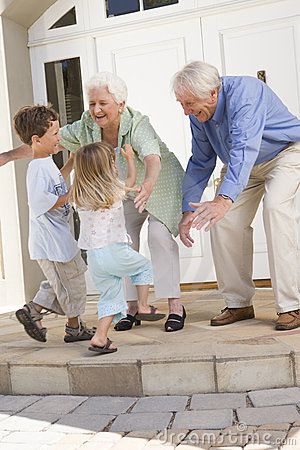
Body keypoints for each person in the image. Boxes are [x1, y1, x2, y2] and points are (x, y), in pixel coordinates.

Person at [0, 72, 186, 332]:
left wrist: (149, 184)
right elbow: (46, 140)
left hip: (159, 185)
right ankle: (131, 308)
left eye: (103, 103)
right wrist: (7, 156)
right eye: (92, 104)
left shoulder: (137, 123)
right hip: (122, 191)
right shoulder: (87, 125)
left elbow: (152, 157)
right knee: (123, 240)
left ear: (120, 104)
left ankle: (175, 306)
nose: (96, 110)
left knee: (158, 236)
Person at [172, 60, 300, 331]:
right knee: (222, 221)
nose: (186, 111)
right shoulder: (199, 114)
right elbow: (201, 161)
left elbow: (244, 146)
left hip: (285, 153)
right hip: (243, 166)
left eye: (190, 103)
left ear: (213, 94)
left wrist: (222, 200)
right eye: (181, 104)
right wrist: (187, 210)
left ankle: (292, 305)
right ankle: (238, 302)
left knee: (275, 208)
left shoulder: (246, 93)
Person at [13, 105, 95, 343]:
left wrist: (70, 163)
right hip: (51, 242)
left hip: (58, 238)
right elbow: (42, 202)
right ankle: (72, 327)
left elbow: (54, 183)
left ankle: (35, 310)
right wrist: (74, 192)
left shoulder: (46, 162)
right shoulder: (37, 168)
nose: (60, 138)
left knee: (67, 281)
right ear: (36, 140)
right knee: (72, 284)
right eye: (55, 134)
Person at [72, 141, 154, 354]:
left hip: (93, 257)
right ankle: (143, 306)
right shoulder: (113, 188)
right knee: (143, 267)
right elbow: (131, 180)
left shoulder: (79, 195)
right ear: (105, 167)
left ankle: (100, 337)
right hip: (113, 250)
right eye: (111, 161)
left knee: (110, 296)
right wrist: (129, 159)